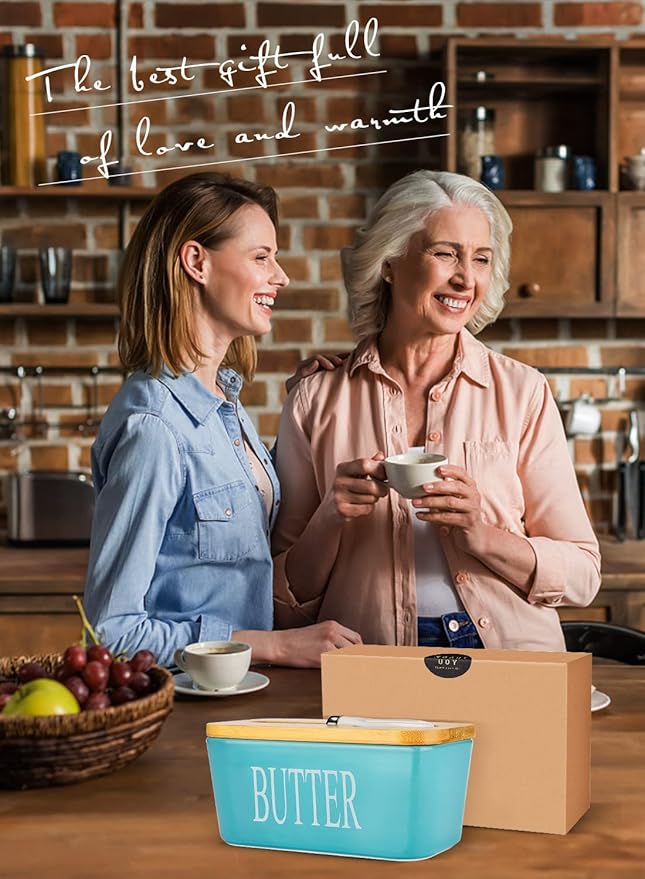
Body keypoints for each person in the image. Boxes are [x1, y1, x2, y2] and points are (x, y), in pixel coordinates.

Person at [271, 169, 601, 651]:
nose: (466, 278)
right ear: (390, 261)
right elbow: (281, 600)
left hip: (509, 656)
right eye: (445, 253)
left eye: (481, 259)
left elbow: (582, 573)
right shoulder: (316, 398)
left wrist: (481, 535)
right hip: (371, 656)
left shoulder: (523, 392)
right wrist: (330, 517)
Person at [83, 172, 361, 668]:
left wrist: (304, 407)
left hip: (236, 694)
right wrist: (273, 645)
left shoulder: (225, 405)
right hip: (186, 709)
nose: (282, 276)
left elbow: (235, 542)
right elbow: (111, 635)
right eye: (262, 257)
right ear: (197, 262)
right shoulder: (154, 427)